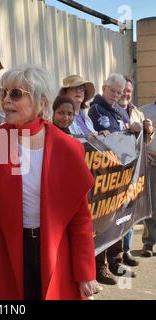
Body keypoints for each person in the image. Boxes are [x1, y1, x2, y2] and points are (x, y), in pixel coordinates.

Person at [0, 64, 98, 300]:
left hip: (54, 253)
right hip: (7, 253)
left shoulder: (65, 147)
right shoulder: (0, 140)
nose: (5, 100)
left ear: (42, 102)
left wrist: (85, 272)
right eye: (3, 92)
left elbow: (79, 219)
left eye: (15, 93)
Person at [89, 73, 134, 285]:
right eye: (112, 90)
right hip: (105, 177)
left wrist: (136, 130)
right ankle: (101, 266)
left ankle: (116, 261)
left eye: (119, 91)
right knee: (104, 222)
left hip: (121, 175)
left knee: (119, 219)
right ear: (104, 87)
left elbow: (124, 134)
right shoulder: (96, 109)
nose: (116, 95)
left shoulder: (119, 110)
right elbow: (109, 139)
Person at [115, 76, 154, 266]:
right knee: (120, 212)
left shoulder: (137, 112)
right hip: (122, 169)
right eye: (123, 90)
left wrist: (149, 131)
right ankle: (120, 253)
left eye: (129, 90)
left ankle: (127, 249)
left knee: (132, 208)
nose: (126, 94)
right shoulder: (109, 111)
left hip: (136, 168)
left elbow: (145, 139)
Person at [140, 95, 156, 257]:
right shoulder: (144, 111)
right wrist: (144, 152)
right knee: (152, 206)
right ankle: (149, 243)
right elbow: (137, 138)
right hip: (152, 164)